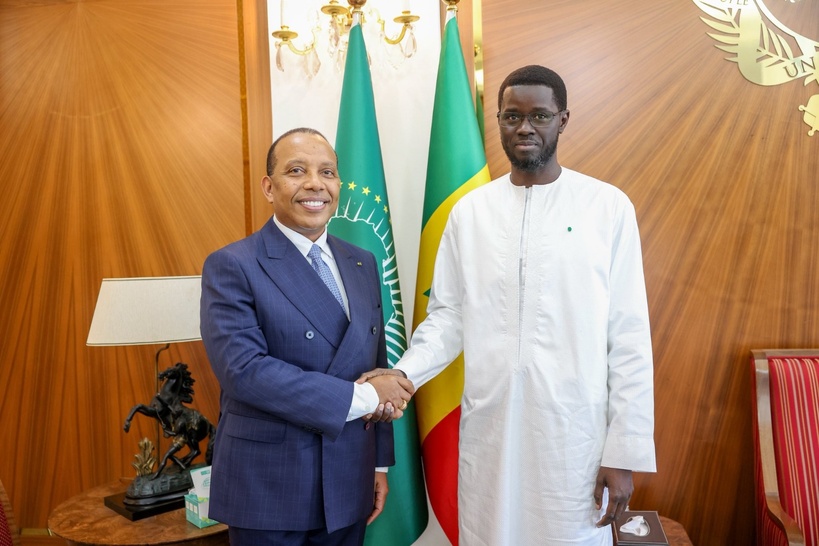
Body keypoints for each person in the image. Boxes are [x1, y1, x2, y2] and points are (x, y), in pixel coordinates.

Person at [363, 65, 656, 545]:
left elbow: (628, 339)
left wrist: (624, 453)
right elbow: (448, 318)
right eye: (511, 116)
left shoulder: (607, 208)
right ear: (497, 121)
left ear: (562, 120)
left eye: (539, 115)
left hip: (573, 439)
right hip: (492, 432)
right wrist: (404, 373)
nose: (524, 127)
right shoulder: (470, 213)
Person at [200, 127, 415, 546]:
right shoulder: (233, 265)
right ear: (269, 186)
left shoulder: (362, 262)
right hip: (269, 485)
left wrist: (379, 465)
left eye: (328, 172)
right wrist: (370, 398)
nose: (315, 184)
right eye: (296, 171)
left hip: (349, 474)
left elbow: (376, 362)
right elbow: (245, 372)